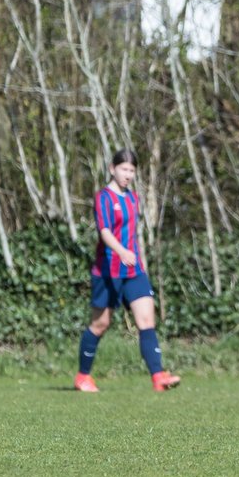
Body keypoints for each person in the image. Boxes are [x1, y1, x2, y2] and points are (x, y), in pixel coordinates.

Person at [75, 149, 182, 393]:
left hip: (133, 271)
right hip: (107, 272)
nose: (128, 174)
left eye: (132, 170)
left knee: (146, 320)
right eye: (124, 169)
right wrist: (121, 251)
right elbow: (104, 231)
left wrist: (133, 256)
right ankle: (83, 376)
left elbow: (132, 233)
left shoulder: (133, 198)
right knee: (100, 324)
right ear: (112, 169)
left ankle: (158, 377)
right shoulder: (103, 198)